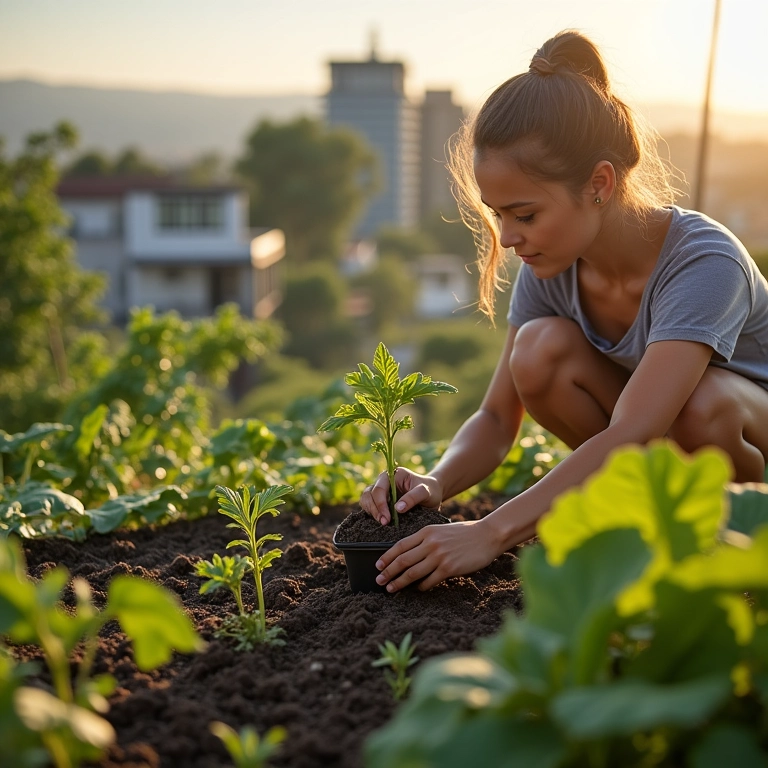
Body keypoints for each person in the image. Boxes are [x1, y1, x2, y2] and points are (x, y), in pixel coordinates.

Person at [361, 29, 768, 593]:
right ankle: (641, 525)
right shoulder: (552, 268)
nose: (507, 238)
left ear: (599, 184)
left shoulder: (704, 262)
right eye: (498, 214)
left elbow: (637, 426)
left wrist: (492, 532)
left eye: (524, 214)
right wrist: (434, 482)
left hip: (747, 456)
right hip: (661, 457)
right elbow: (498, 420)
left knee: (702, 404)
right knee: (539, 351)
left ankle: (736, 544)